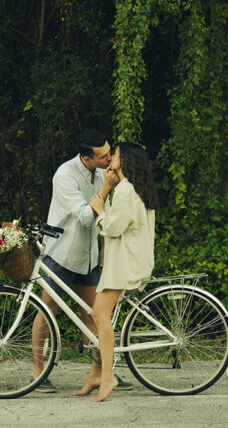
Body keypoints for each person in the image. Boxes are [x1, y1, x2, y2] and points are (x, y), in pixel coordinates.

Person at [31, 130, 132, 393]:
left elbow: (104, 213)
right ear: (86, 158)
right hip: (62, 254)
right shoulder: (65, 175)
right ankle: (38, 374)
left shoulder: (100, 172)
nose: (109, 158)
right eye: (104, 156)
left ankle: (100, 374)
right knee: (46, 312)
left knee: (93, 314)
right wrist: (108, 186)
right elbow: (85, 216)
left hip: (88, 258)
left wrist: (102, 248)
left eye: (110, 152)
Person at [79, 141, 158, 402]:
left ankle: (107, 376)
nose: (111, 157)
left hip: (124, 264)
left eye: (116, 155)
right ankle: (95, 375)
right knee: (101, 317)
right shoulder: (134, 188)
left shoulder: (125, 190)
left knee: (99, 315)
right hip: (132, 260)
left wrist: (101, 210)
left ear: (124, 162)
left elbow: (113, 228)